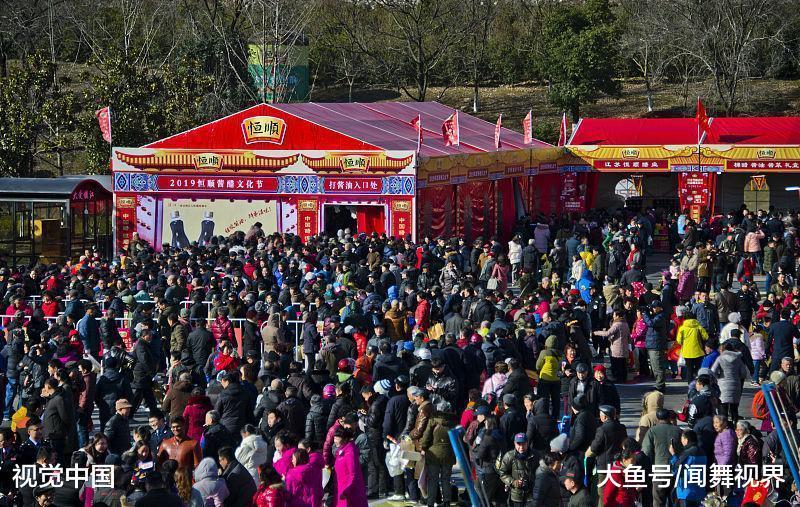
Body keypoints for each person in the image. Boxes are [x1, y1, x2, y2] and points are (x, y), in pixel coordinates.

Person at [642, 408, 682, 507]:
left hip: (659, 470)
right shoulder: (678, 430)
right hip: (675, 470)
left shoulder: (652, 431)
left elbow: (646, 452)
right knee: (674, 500)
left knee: (658, 500)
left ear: (657, 418)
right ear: (669, 417)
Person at [420, 401, 456, 507]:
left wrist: (423, 447)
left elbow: (426, 437)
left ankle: (430, 502)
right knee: (446, 479)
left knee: (432, 479)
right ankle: (447, 502)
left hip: (434, 454)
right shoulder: (453, 421)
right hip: (448, 453)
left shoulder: (433, 420)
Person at [711, 341, 750, 423]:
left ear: (723, 349)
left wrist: (718, 378)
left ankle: (725, 426)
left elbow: (713, 370)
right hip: (736, 384)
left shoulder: (720, 358)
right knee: (734, 408)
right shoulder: (738, 358)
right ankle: (735, 424)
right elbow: (744, 373)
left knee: (723, 408)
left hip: (723, 384)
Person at [498, 432, 540, 507]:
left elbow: (541, 472)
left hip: (532, 495)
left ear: (527, 443)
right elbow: (502, 473)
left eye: (523, 444)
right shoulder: (509, 456)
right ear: (514, 444)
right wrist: (513, 482)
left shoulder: (536, 455)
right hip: (516, 496)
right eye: (519, 444)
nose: (521, 447)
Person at [669, 430, 707, 507]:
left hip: (686, 492)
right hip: (700, 492)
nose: (681, 442)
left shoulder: (687, 453)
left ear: (686, 440)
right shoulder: (702, 452)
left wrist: (673, 455)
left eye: (682, 439)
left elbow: (676, 470)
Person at [333, 426, 369, 507]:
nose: (335, 441)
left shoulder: (350, 453)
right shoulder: (341, 451)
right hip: (342, 489)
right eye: (334, 438)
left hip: (350, 492)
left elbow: (353, 474)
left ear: (345, 439)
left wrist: (346, 491)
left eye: (337, 438)